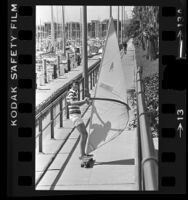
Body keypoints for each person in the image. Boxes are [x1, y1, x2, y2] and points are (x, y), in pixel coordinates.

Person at [66, 80, 92, 159]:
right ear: (71, 85)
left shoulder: (74, 93)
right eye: (75, 84)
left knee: (84, 134)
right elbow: (72, 102)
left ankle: (83, 154)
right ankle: (82, 155)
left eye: (77, 84)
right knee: (84, 134)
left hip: (76, 115)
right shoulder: (71, 93)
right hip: (74, 115)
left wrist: (84, 102)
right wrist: (84, 101)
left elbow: (76, 103)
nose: (77, 86)